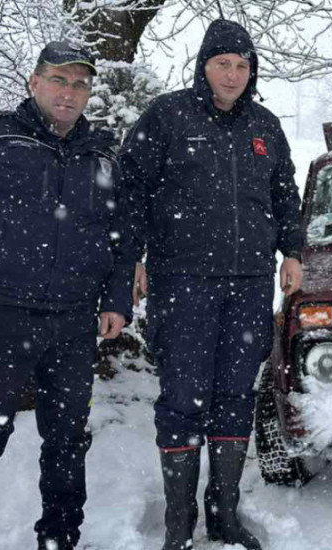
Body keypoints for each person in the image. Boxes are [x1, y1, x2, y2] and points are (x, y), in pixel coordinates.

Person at [0, 42, 132, 550]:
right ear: (34, 83)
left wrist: (116, 299)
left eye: (79, 84)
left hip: (73, 324)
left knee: (67, 441)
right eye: (59, 80)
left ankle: (59, 538)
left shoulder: (101, 154)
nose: (69, 92)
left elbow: (121, 236)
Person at [120, 19, 303, 550]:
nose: (233, 74)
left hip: (248, 286)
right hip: (182, 284)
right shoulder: (168, 117)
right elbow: (132, 189)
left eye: (242, 65)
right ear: (203, 66)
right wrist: (132, 256)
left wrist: (292, 251)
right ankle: (179, 527)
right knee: (181, 398)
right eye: (223, 63)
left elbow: (285, 197)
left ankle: (223, 514)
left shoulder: (265, 127)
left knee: (234, 398)